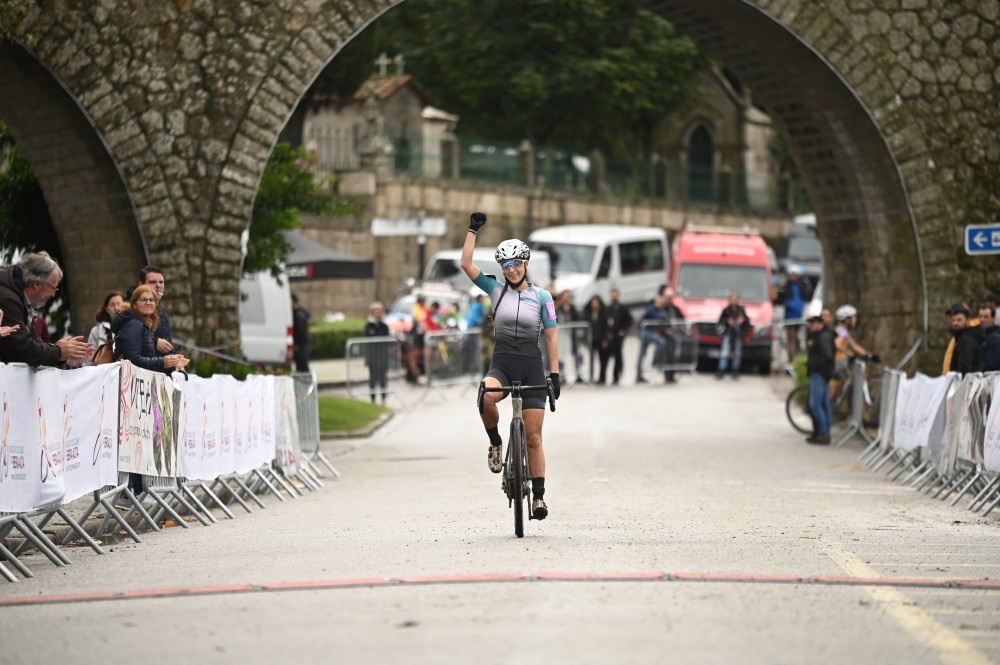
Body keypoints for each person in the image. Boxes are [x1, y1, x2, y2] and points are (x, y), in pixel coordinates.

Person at [461, 211, 559, 521]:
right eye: (506, 264)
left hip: (531, 365)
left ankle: (539, 498)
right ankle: (496, 443)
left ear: (526, 264)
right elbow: (466, 264)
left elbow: (553, 339)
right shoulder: (493, 290)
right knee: (485, 397)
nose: (512, 269)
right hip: (502, 363)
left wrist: (554, 375)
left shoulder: (543, 297)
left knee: (533, 437)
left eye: (517, 263)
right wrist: (472, 230)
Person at [110, 285, 190, 508]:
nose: (148, 303)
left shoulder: (144, 325)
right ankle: (130, 492)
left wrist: (171, 363)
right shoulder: (134, 325)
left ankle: (137, 490)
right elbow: (133, 360)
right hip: (131, 390)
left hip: (140, 390)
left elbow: (145, 356)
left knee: (141, 439)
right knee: (134, 439)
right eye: (143, 300)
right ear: (134, 303)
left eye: (152, 300)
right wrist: (163, 362)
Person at [0, 251, 93, 366]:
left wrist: (59, 350)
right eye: (53, 288)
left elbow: (32, 342)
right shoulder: (7, 300)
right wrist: (59, 351)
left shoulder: (16, 294)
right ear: (37, 284)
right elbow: (23, 349)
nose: (53, 295)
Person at [805, 309, 836, 445]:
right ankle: (824, 432)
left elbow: (827, 355)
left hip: (820, 372)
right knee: (824, 403)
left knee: (815, 404)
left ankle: (823, 432)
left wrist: (817, 366)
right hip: (823, 372)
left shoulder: (825, 336)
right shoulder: (821, 335)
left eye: (826, 315)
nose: (810, 327)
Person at [777, 265, 813, 359]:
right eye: (791, 275)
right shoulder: (786, 285)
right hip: (789, 314)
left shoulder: (803, 285)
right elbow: (780, 298)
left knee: (795, 335)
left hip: (798, 313)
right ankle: (791, 356)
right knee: (790, 335)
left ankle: (796, 355)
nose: (793, 277)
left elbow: (807, 296)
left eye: (795, 275)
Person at [136, 266, 173, 357]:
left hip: (163, 367)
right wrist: (155, 342)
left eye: (161, 282)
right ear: (141, 285)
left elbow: (167, 343)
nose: (158, 286)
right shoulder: (134, 307)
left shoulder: (160, 308)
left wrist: (176, 361)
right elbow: (130, 336)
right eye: (153, 282)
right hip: (144, 367)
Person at [83, 291, 125, 367]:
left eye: (119, 304)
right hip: (104, 374)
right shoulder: (96, 331)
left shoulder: (133, 327)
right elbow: (89, 359)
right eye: (112, 305)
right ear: (106, 309)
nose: (116, 308)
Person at [716, 291, 750, 380]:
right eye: (732, 298)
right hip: (728, 334)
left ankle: (735, 371)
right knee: (724, 353)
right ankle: (721, 370)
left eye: (736, 299)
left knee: (737, 354)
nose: (734, 300)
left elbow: (747, 323)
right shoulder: (726, 310)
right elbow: (720, 322)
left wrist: (742, 321)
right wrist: (727, 321)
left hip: (738, 334)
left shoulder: (741, 310)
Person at [555, 290, 585, 383]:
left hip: (572, 335)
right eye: (565, 296)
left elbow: (578, 319)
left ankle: (578, 373)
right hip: (562, 336)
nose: (567, 298)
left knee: (577, 354)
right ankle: (562, 376)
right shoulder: (557, 308)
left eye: (568, 296)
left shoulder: (573, 308)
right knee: (561, 355)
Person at [363, 301, 390, 404]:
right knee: (373, 380)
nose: (377, 314)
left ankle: (383, 399)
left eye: (379, 311)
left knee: (383, 379)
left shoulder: (384, 326)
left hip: (382, 357)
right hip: (373, 357)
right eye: (375, 312)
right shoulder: (369, 326)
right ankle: (373, 400)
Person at [604, 288, 632, 385]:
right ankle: (602, 376)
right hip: (608, 337)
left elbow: (629, 320)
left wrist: (623, 330)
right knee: (605, 357)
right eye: (612, 295)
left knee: (617, 357)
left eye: (615, 295)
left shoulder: (622, 308)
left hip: (618, 337)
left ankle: (616, 376)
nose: (614, 296)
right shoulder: (607, 308)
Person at [947, 304, 982, 375]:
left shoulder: (965, 340)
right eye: (953, 320)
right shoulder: (963, 337)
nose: (955, 323)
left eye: (959, 320)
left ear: (968, 321)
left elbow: (964, 368)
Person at [585, 295, 610, 384]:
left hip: (601, 340)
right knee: (591, 359)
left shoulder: (603, 313)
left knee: (603, 359)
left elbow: (606, 327)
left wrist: (605, 339)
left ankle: (602, 377)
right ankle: (591, 376)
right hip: (591, 339)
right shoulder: (588, 313)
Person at [291, 293, 311, 373]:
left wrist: (296, 344)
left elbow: (301, 331)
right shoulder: (301, 312)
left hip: (301, 345)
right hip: (303, 344)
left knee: (302, 367)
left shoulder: (298, 315)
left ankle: (306, 384)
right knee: (301, 366)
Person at [979, 303, 1000, 372]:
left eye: (986, 317)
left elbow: (991, 365)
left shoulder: (995, 338)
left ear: (993, 319)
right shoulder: (982, 336)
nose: (982, 319)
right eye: (980, 316)